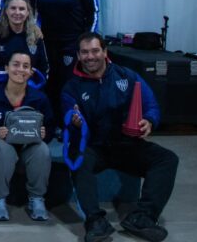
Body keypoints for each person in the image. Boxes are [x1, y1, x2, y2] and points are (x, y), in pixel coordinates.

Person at [62, 33, 178, 242]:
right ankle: (95, 222)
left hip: (126, 144)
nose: (90, 56)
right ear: (78, 55)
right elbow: (68, 117)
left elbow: (151, 105)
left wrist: (149, 121)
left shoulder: (127, 76)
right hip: (94, 147)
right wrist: (75, 121)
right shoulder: (71, 87)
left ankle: (142, 217)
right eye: (85, 52)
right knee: (77, 157)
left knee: (167, 159)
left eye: (95, 51)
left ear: (105, 52)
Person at [0, 51, 54, 222]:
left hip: (27, 150)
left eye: (26, 66)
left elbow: (50, 127)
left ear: (31, 72)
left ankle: (37, 200)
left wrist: (45, 134)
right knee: (2, 147)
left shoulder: (39, 99)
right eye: (16, 64)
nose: (20, 69)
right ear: (7, 68)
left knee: (42, 149)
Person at [37, 0, 99, 120]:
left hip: (72, 44)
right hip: (47, 44)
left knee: (68, 84)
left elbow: (94, 12)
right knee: (49, 83)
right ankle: (51, 122)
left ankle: (70, 122)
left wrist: (86, 42)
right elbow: (35, 12)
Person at [0, 0, 49, 90]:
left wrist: (31, 79)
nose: (17, 12)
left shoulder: (36, 36)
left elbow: (45, 70)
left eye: (22, 9)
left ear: (28, 13)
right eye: (13, 8)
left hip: (29, 90)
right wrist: (13, 74)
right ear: (6, 11)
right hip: (0, 90)